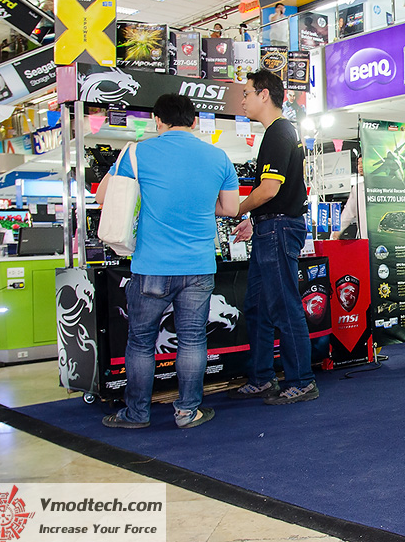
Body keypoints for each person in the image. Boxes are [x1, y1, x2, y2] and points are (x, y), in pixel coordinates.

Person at [97, 94, 240, 429]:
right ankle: (187, 411)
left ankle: (137, 413)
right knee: (193, 340)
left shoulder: (137, 153)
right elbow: (231, 208)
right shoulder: (218, 157)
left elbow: (103, 196)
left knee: (140, 342)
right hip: (198, 265)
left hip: (151, 265)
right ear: (194, 121)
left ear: (157, 121)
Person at [229, 69, 317, 405]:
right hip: (270, 226)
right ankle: (262, 377)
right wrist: (253, 219)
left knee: (284, 305)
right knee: (257, 306)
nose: (243, 100)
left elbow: (269, 189)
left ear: (264, 94)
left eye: (247, 93)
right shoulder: (277, 133)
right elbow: (274, 193)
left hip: (279, 229)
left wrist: (237, 209)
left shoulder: (280, 132)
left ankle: (301, 381)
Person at [335, 156, 367, 240]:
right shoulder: (358, 188)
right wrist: (337, 231)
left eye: (363, 163)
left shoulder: (385, 188)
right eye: (358, 163)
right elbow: (348, 213)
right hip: (364, 239)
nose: (360, 166)